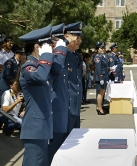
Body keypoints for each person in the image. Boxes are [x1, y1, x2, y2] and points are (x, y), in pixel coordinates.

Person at [19, 24, 64, 166]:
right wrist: (46, 56)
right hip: (35, 128)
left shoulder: (42, 66)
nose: (51, 48)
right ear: (37, 47)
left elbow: (56, 70)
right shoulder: (29, 67)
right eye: (49, 45)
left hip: (42, 126)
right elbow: (40, 77)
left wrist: (60, 50)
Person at [48, 23, 76, 165]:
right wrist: (63, 43)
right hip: (55, 112)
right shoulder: (52, 58)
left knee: (60, 149)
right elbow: (56, 71)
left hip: (63, 110)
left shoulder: (62, 58)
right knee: (52, 152)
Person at [64, 22, 83, 134]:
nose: (79, 41)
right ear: (67, 37)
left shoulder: (75, 55)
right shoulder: (62, 54)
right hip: (66, 105)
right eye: (77, 37)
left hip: (75, 103)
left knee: (75, 135)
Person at [94, 42, 109, 115]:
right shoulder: (98, 57)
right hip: (100, 77)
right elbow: (98, 68)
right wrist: (101, 78)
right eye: (101, 48)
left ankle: (99, 107)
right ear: (98, 49)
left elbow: (105, 67)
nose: (103, 49)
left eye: (104, 48)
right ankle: (99, 108)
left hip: (104, 76)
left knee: (103, 93)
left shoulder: (104, 56)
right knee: (100, 93)